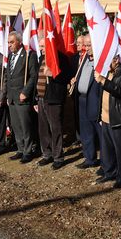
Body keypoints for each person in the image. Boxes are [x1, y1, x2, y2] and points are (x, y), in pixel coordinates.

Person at [95, 54, 121, 188]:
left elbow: (120, 90)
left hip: (118, 118)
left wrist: (103, 81)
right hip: (105, 117)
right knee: (107, 149)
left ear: (116, 60)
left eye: (107, 60)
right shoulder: (107, 72)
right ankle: (109, 172)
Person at [36, 38, 71, 170]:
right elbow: (37, 78)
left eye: (43, 46)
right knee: (43, 128)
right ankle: (47, 154)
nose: (41, 49)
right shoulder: (41, 58)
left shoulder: (60, 58)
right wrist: (36, 97)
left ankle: (58, 157)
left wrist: (53, 74)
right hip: (41, 98)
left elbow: (67, 76)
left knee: (55, 128)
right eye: (40, 46)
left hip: (54, 98)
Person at [5, 32, 38, 163]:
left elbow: (33, 76)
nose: (9, 45)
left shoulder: (29, 56)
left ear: (19, 42)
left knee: (25, 125)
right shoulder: (10, 57)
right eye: (8, 43)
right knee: (16, 125)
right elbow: (8, 77)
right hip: (12, 97)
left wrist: (25, 92)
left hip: (23, 97)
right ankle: (20, 149)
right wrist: (8, 95)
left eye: (11, 42)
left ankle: (28, 151)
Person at [72, 36, 102, 170]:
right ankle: (89, 158)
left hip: (94, 100)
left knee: (100, 133)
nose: (87, 48)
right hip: (82, 100)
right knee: (85, 132)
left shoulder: (100, 61)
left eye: (89, 45)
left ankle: (106, 161)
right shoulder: (84, 58)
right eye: (86, 45)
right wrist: (75, 80)